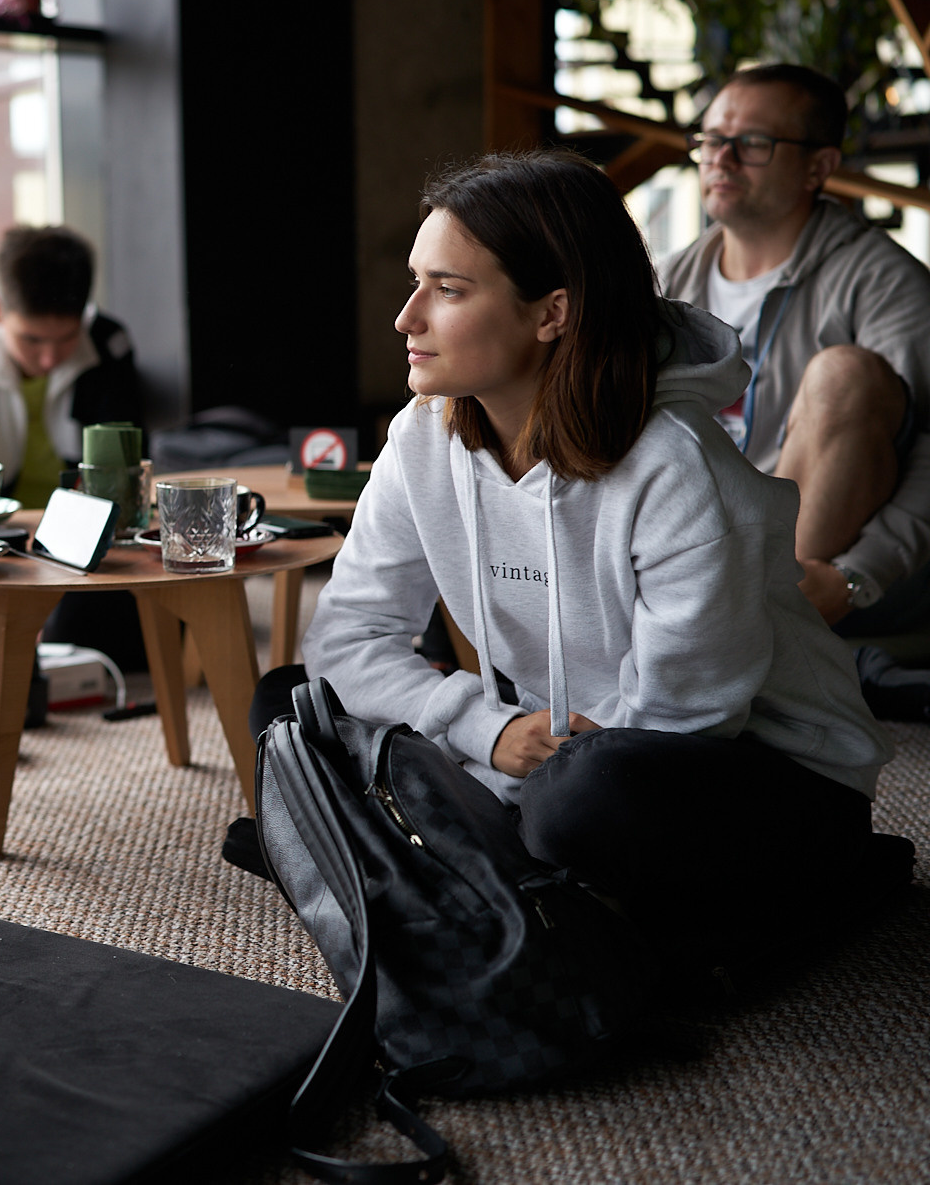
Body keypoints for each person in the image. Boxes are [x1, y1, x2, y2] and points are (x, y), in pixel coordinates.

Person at [297, 150, 897, 967]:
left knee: (585, 800)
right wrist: (488, 728)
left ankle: (823, 885)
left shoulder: (675, 468)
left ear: (553, 312)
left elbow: (685, 721)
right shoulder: (421, 438)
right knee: (294, 712)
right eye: (416, 281)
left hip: (753, 770)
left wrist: (508, 777)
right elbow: (346, 639)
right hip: (558, 749)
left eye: (448, 289)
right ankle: (540, 876)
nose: (406, 317)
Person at [657, 64, 930, 636]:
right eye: (710, 140)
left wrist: (858, 574)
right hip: (696, 559)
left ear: (819, 166)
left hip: (834, 576)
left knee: (843, 374)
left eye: (752, 143)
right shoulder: (666, 281)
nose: (722, 159)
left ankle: (763, 630)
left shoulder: (883, 280)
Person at [0, 225, 142, 510]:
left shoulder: (107, 343)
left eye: (67, 337)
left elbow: (120, 477)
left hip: (84, 527)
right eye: (31, 339)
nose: (49, 358)